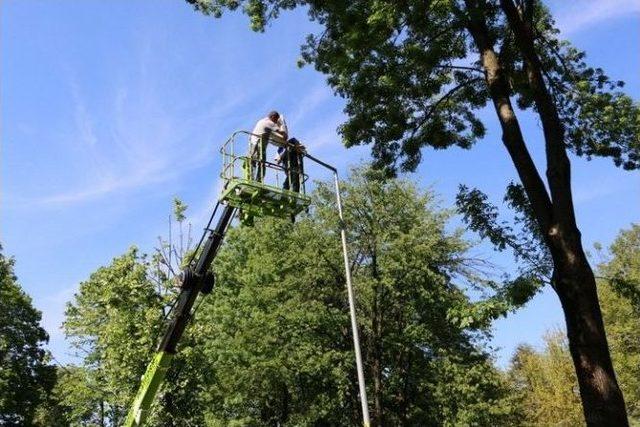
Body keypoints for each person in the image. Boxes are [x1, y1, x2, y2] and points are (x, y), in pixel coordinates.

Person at [249, 111, 288, 182]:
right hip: (259, 145)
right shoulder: (270, 123)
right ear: (273, 117)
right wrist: (281, 124)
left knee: (252, 163)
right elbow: (285, 137)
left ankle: (250, 179)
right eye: (276, 120)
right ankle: (258, 181)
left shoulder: (262, 121)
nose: (276, 122)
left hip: (253, 143)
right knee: (262, 165)